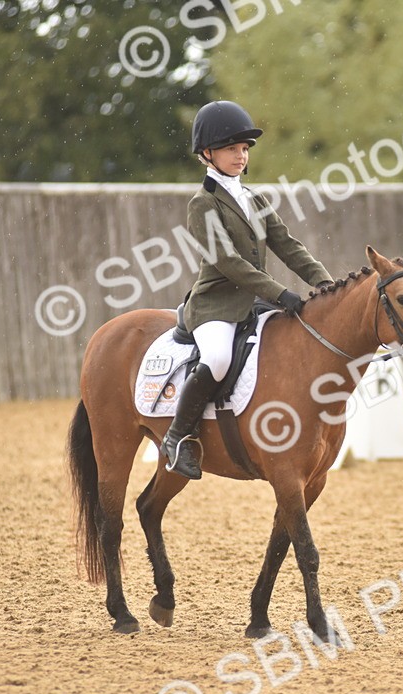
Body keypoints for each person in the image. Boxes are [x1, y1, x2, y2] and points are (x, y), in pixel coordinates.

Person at [161, 100, 334, 480]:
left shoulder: (253, 198)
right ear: (208, 155)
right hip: (216, 306)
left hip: (254, 303)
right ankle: (176, 438)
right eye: (230, 149)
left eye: (243, 150)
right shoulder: (203, 204)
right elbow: (228, 262)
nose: (240, 156)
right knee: (219, 358)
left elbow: (288, 245)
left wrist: (323, 282)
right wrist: (280, 294)